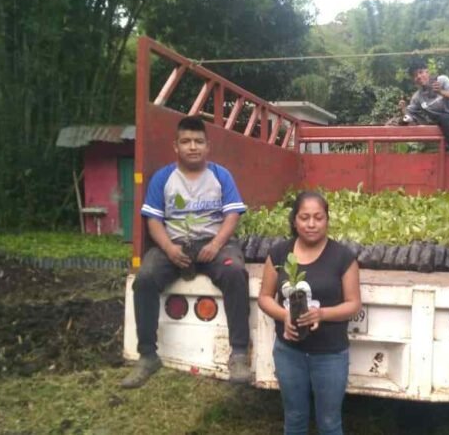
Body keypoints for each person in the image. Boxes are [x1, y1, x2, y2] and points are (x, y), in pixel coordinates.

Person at [121, 115, 251, 388]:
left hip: (214, 244)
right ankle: (147, 356)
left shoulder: (220, 175)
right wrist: (168, 248)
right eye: (186, 141)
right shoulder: (163, 178)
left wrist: (215, 245)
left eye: (198, 141)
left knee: (236, 272)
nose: (193, 147)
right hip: (174, 246)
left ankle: (239, 354)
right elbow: (153, 220)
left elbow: (232, 216)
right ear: (176, 146)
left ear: (208, 146)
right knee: (144, 279)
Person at [258, 191, 361, 435]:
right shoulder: (280, 254)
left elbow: (354, 304)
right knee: (294, 417)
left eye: (318, 217)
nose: (311, 224)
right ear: (295, 220)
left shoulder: (342, 257)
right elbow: (264, 297)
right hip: (289, 352)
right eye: (305, 217)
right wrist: (284, 316)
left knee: (329, 421)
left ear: (327, 220)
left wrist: (321, 314)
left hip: (330, 354)